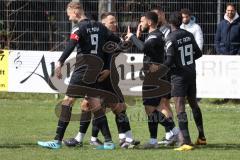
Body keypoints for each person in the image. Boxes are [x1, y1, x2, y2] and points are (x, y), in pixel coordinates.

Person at [37, 2, 120, 150]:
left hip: (82, 70)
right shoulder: (101, 27)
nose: (69, 18)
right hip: (96, 70)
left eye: (69, 14)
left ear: (76, 11)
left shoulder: (79, 28)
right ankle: (108, 142)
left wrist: (60, 62)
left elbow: (70, 45)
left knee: (67, 101)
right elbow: (116, 41)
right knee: (95, 104)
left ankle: (57, 140)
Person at [63, 12, 140, 149]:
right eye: (112, 22)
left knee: (115, 107)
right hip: (100, 77)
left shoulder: (110, 38)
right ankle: (90, 138)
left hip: (108, 77)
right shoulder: (100, 36)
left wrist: (133, 39)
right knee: (91, 105)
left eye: (115, 21)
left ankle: (124, 139)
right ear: (103, 24)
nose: (115, 24)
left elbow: (119, 49)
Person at [126, 11, 179, 149]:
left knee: (150, 108)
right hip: (157, 76)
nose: (140, 23)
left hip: (153, 77)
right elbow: (147, 48)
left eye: (142, 21)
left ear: (149, 22)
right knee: (153, 108)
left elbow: (144, 48)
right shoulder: (156, 35)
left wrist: (132, 37)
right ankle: (153, 141)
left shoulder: (154, 36)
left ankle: (175, 132)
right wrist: (137, 37)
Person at [164, 11, 206, 151]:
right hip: (191, 74)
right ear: (181, 22)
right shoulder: (188, 34)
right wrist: (186, 61)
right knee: (193, 103)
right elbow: (199, 53)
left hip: (179, 77)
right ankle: (201, 137)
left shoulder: (170, 38)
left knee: (180, 107)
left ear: (170, 23)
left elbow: (169, 61)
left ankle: (186, 142)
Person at [151, 7, 180, 146]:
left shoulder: (168, 30)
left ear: (162, 15)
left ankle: (173, 133)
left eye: (157, 15)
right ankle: (170, 134)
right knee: (164, 103)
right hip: (163, 71)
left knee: (161, 104)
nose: (155, 18)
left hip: (165, 71)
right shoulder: (158, 31)